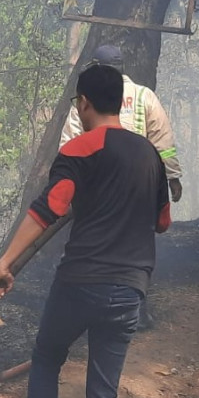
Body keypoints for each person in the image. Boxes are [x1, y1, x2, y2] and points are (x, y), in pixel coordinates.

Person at [0, 63, 172, 398]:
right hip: (130, 289)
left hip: (81, 281)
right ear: (119, 101)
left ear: (84, 103)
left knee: (46, 358)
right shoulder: (151, 155)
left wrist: (4, 263)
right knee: (102, 397)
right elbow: (163, 222)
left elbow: (50, 207)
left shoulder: (80, 148)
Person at [58, 43, 182, 330]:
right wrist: (172, 177)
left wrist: (67, 184)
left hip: (97, 187)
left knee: (93, 244)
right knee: (137, 248)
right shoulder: (143, 96)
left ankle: (86, 310)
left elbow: (69, 144)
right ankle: (136, 309)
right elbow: (162, 140)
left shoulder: (86, 98)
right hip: (138, 185)